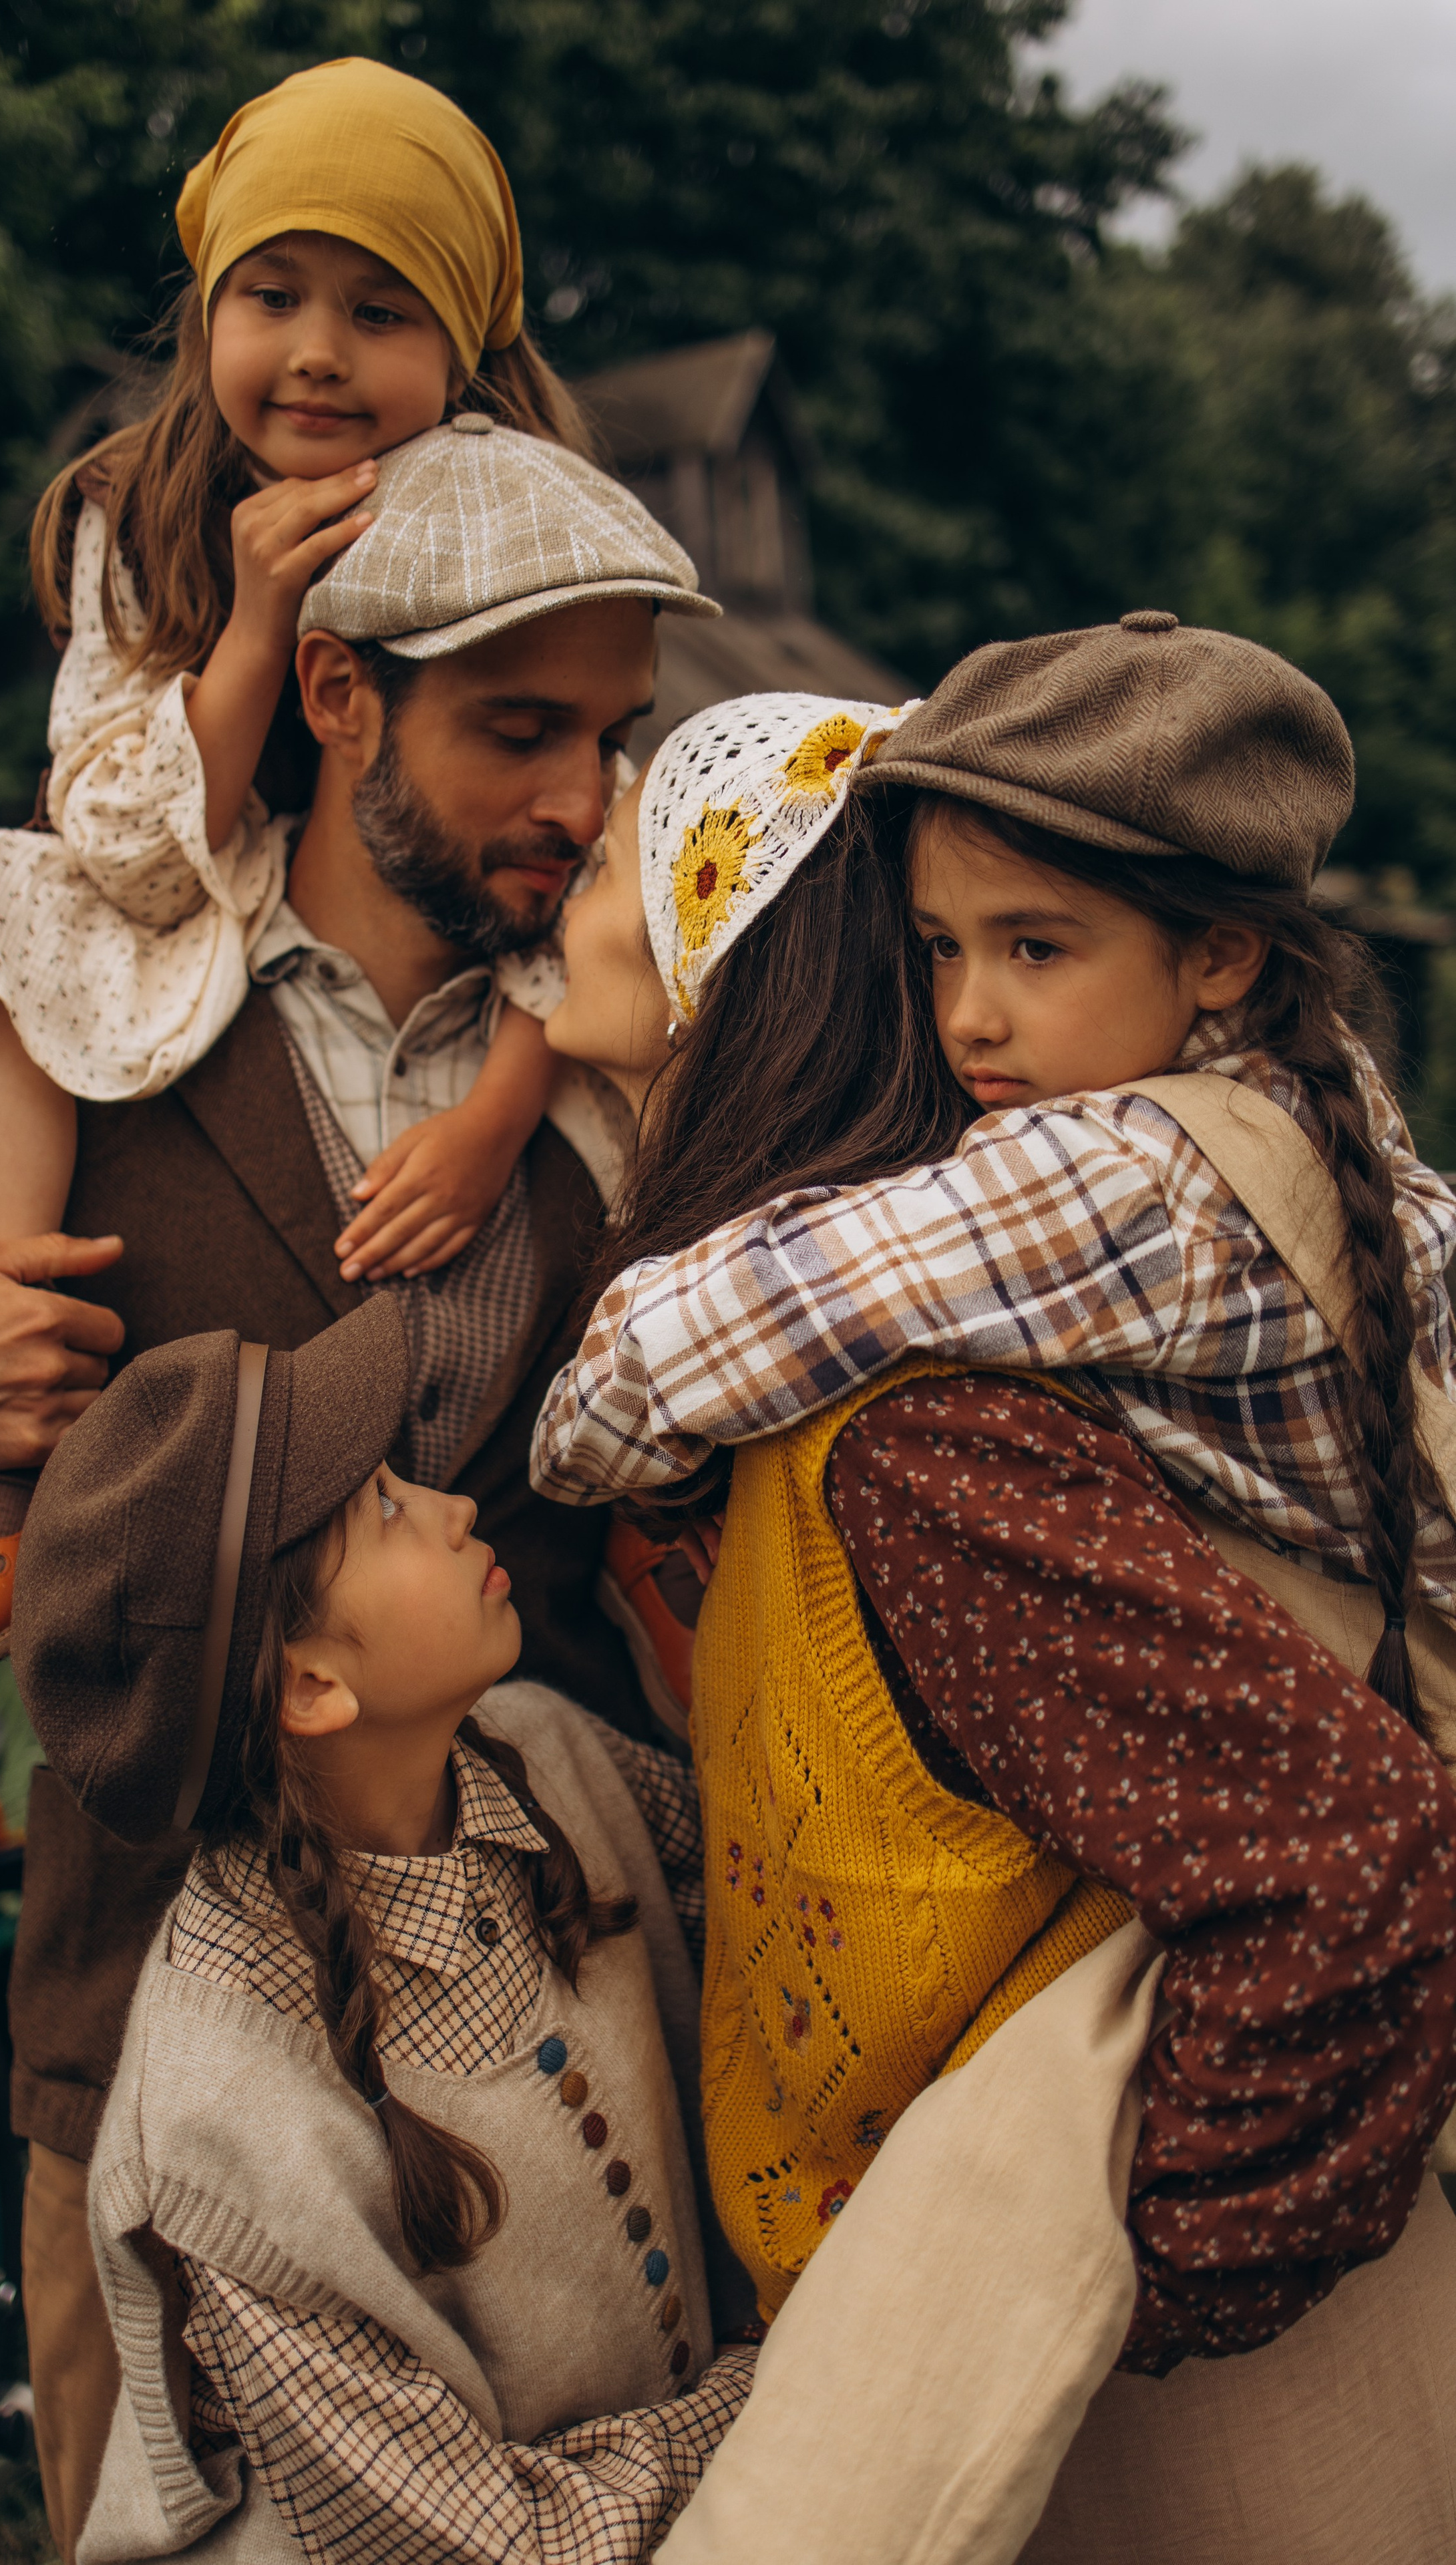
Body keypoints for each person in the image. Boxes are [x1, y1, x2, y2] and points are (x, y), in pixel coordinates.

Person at [0, 427, 707, 2558]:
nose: (577, 798)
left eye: (613, 738)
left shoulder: (626, 1056)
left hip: (579, 2014)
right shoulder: (100, 1011)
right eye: (518, 729)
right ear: (342, 694)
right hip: (135, 2033)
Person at [536, 685, 1456, 2560]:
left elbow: (1349, 1860)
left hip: (1184, 2393)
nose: (975, 1013)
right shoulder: (1285, 1156)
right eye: (946, 950)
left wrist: (1149, 2268)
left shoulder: (956, 1402)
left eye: (1033, 948)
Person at [9, 1302, 1182, 2565]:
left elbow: (802, 1936)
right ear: (309, 1686)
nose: (454, 1507)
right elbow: (496, 2545)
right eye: (391, 1511)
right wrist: (789, 2373)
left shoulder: (544, 1759)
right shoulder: (214, 2132)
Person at [0, 57, 662, 1686]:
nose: (317, 352)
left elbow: (611, 871)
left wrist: (496, 1119)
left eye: (381, 313)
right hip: (186, 874)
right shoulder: (146, 511)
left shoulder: (531, 547)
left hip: (538, 1837)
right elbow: (116, 843)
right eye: (274, 295)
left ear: (462, 351)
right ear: (341, 693)